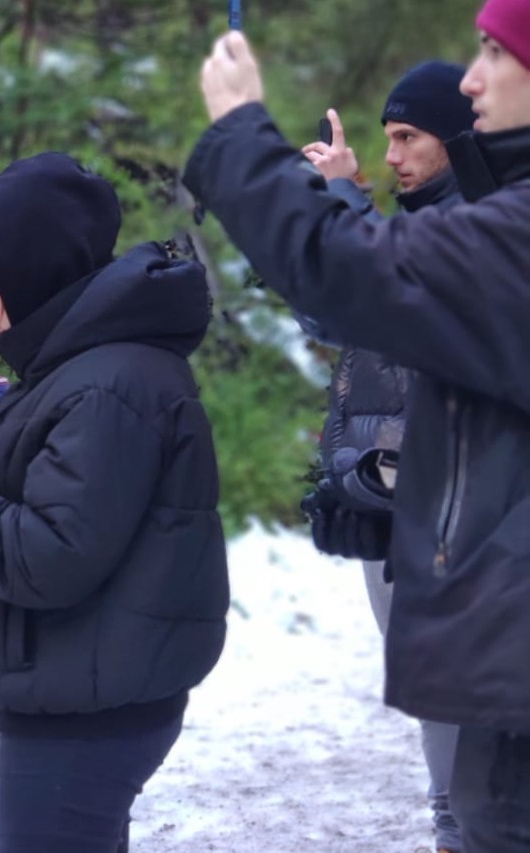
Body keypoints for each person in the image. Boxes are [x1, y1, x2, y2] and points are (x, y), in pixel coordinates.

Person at [184, 1, 530, 848]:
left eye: (493, 51)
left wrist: (240, 132)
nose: (474, 76)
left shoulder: (504, 232)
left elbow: (360, 281)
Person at [0, 151, 230, 852]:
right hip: (80, 685)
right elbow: (58, 494)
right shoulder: (82, 363)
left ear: (30, 274)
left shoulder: (104, 380)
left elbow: (50, 554)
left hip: (87, 708)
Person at [298, 61, 474, 853]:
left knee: (457, 677)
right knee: (427, 678)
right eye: (387, 138)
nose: (393, 153)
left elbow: (407, 293)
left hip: (453, 501)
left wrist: (343, 204)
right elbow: (324, 311)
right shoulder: (400, 222)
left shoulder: (482, 218)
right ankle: (454, 820)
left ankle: (463, 827)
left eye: (409, 137)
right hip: (382, 490)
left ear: (457, 138)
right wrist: (318, 209)